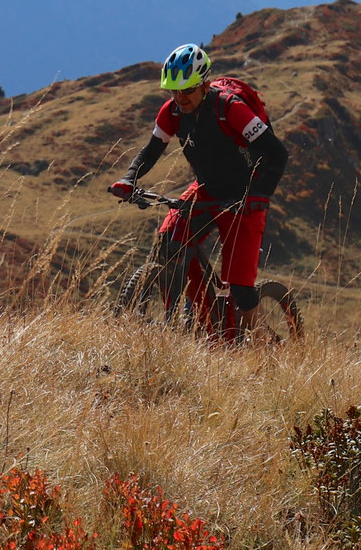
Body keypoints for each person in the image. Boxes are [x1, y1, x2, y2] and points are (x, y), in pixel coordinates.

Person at [109, 42, 288, 335]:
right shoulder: (173, 112)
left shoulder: (231, 109)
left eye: (187, 90)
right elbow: (151, 150)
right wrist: (129, 180)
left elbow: (277, 154)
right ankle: (211, 325)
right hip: (206, 189)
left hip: (243, 197)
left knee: (241, 289)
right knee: (168, 243)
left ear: (204, 85)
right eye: (174, 91)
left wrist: (259, 195)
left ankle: (260, 351)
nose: (180, 98)